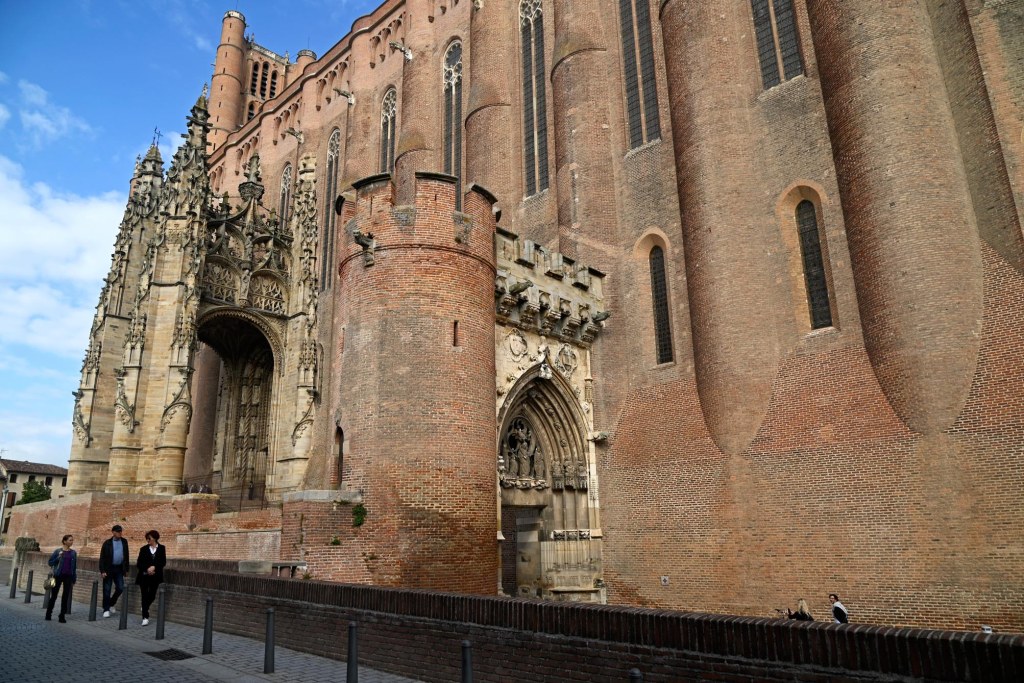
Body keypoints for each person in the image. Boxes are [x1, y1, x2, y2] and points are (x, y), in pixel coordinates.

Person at [135, 529, 166, 626]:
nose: (148, 540)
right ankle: (145, 617)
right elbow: (139, 563)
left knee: (152, 595)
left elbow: (163, 562)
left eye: (149, 538)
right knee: (144, 596)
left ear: (155, 538)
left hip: (155, 576)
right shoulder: (143, 549)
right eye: (147, 538)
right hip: (144, 576)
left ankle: (145, 606)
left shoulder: (162, 548)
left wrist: (154, 567)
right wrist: (147, 569)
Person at [99, 524, 129, 618]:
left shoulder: (124, 541)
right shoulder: (107, 543)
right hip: (108, 569)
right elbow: (102, 558)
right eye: (118, 531)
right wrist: (102, 571)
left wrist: (126, 569)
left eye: (121, 531)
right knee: (107, 589)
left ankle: (111, 603)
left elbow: (126, 555)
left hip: (119, 568)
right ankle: (106, 609)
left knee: (120, 588)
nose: (120, 533)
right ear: (113, 532)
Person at [45, 534, 77, 623]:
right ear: (64, 541)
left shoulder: (73, 553)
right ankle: (48, 613)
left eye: (72, 540)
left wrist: (74, 578)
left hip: (68, 577)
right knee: (54, 596)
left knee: (65, 597)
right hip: (58, 576)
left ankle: (62, 616)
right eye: (70, 540)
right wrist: (58, 557)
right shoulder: (57, 551)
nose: (72, 542)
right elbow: (50, 563)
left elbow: (74, 567)